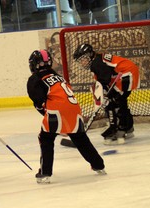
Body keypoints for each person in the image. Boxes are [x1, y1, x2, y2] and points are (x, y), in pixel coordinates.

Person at [26, 49, 106, 184]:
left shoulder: (35, 79)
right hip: (75, 109)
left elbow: (39, 103)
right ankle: (99, 165)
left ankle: (45, 172)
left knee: (45, 138)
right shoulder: (57, 76)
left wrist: (53, 120)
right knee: (80, 138)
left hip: (56, 110)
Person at [73, 44, 140, 145]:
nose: (82, 63)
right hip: (126, 73)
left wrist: (106, 95)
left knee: (115, 101)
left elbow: (105, 79)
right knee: (118, 100)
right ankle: (127, 127)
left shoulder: (97, 63)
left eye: (83, 59)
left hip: (127, 74)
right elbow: (104, 80)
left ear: (90, 55)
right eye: (80, 61)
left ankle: (120, 129)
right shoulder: (96, 61)